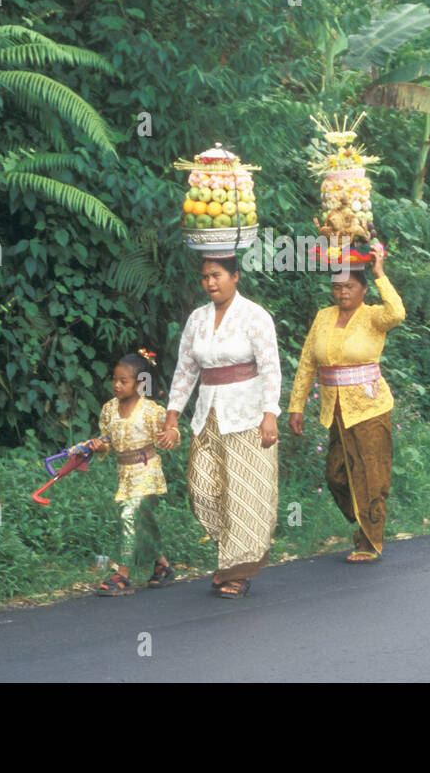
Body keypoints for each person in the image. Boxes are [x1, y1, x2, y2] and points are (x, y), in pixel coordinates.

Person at [162, 254, 281, 600]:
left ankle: (238, 570)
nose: (210, 283)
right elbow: (185, 371)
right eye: (205, 277)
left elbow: (271, 367)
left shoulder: (255, 316)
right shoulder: (196, 319)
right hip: (208, 413)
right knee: (201, 490)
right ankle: (232, 555)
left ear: (235, 277)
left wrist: (270, 413)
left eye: (216, 276)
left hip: (247, 413)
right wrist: (173, 414)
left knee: (245, 493)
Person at [287, 249, 405, 562]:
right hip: (336, 411)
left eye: (349, 286)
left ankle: (370, 540)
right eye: (337, 286)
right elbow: (307, 362)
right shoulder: (323, 317)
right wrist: (295, 406)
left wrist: (380, 273)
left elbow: (397, 313)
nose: (342, 292)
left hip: (369, 408)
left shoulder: (373, 316)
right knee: (336, 474)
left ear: (363, 290)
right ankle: (364, 516)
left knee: (371, 473)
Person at [76, 350, 176, 596]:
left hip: (147, 471)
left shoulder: (152, 410)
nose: (117, 385)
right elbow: (107, 440)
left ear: (140, 383)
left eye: (124, 381)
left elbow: (171, 433)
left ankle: (122, 575)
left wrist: (171, 435)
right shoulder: (109, 409)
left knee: (130, 515)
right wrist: (100, 446)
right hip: (125, 474)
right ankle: (162, 566)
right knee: (142, 521)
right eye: (115, 379)